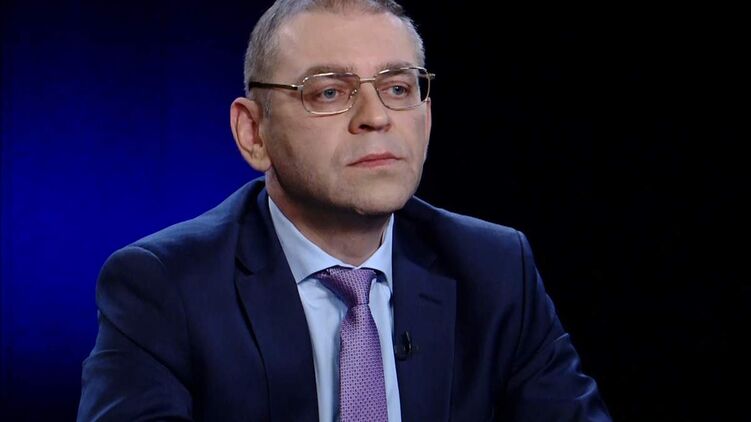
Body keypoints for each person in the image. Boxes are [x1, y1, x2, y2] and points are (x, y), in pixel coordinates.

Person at [77, 0, 611, 420]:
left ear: (427, 114)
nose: (375, 117)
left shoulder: (495, 269)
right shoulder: (163, 286)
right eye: (330, 92)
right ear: (254, 132)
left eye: (398, 87)